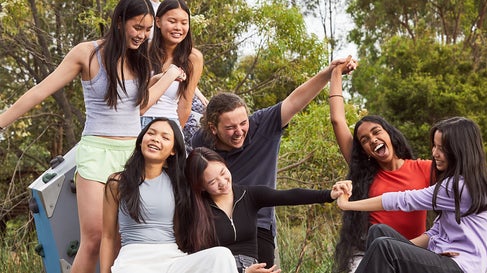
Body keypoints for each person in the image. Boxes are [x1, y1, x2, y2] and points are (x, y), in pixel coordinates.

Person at [0, 0, 186, 273]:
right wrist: (2, 122)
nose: (142, 35)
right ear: (119, 21)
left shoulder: (141, 58)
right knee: (95, 237)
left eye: (148, 30)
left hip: (130, 157)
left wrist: (166, 77)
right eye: (137, 27)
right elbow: (41, 90)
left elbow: (139, 104)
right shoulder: (87, 53)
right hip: (96, 152)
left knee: (124, 241)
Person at [190, 57, 356, 267]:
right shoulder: (201, 142)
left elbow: (296, 100)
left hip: (258, 224)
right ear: (213, 128)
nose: (239, 131)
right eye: (230, 127)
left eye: (243, 123)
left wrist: (329, 72)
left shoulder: (262, 125)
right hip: (215, 225)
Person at [337, 116, 487, 273]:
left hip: (463, 267)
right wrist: (407, 251)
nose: (434, 153)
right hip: (446, 259)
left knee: (384, 247)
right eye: (434, 146)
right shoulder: (463, 184)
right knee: (378, 232)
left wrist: (347, 204)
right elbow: (434, 234)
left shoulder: (455, 187)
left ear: (460, 150)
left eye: (441, 148)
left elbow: (402, 200)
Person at [329, 56, 434, 272]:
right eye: (365, 140)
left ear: (390, 135)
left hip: (410, 255)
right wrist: (337, 73)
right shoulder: (366, 172)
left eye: (376, 132)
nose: (372, 140)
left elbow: (460, 187)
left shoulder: (424, 168)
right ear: (365, 151)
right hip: (371, 254)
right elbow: (337, 120)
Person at [176, 147, 352, 273]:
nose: (223, 182)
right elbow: (201, 259)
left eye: (223, 172)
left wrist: (329, 194)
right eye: (213, 182)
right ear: (201, 187)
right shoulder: (196, 210)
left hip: (255, 268)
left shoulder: (249, 195)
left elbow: (290, 196)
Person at [100, 118, 238, 273]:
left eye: (165, 137)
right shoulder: (117, 182)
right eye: (151, 133)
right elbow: (108, 236)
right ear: (141, 141)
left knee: (221, 255)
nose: (156, 139)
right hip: (133, 261)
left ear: (173, 150)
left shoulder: (178, 184)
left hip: (171, 259)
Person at [140, 0, 203, 132]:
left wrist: (174, 135)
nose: (178, 28)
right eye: (172, 21)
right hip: (137, 122)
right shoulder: (142, 51)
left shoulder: (193, 58)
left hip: (169, 125)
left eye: (184, 23)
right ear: (158, 22)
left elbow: (185, 102)